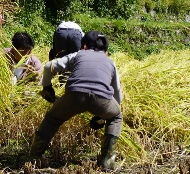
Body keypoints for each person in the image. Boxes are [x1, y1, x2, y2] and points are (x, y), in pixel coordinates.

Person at [31, 30, 123, 171]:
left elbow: (49, 66)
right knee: (116, 117)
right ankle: (107, 162)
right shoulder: (111, 62)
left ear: (84, 46)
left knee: (52, 118)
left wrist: (47, 88)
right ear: (105, 51)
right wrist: (101, 117)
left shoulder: (78, 54)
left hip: (74, 95)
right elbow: (117, 96)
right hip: (102, 99)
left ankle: (34, 156)